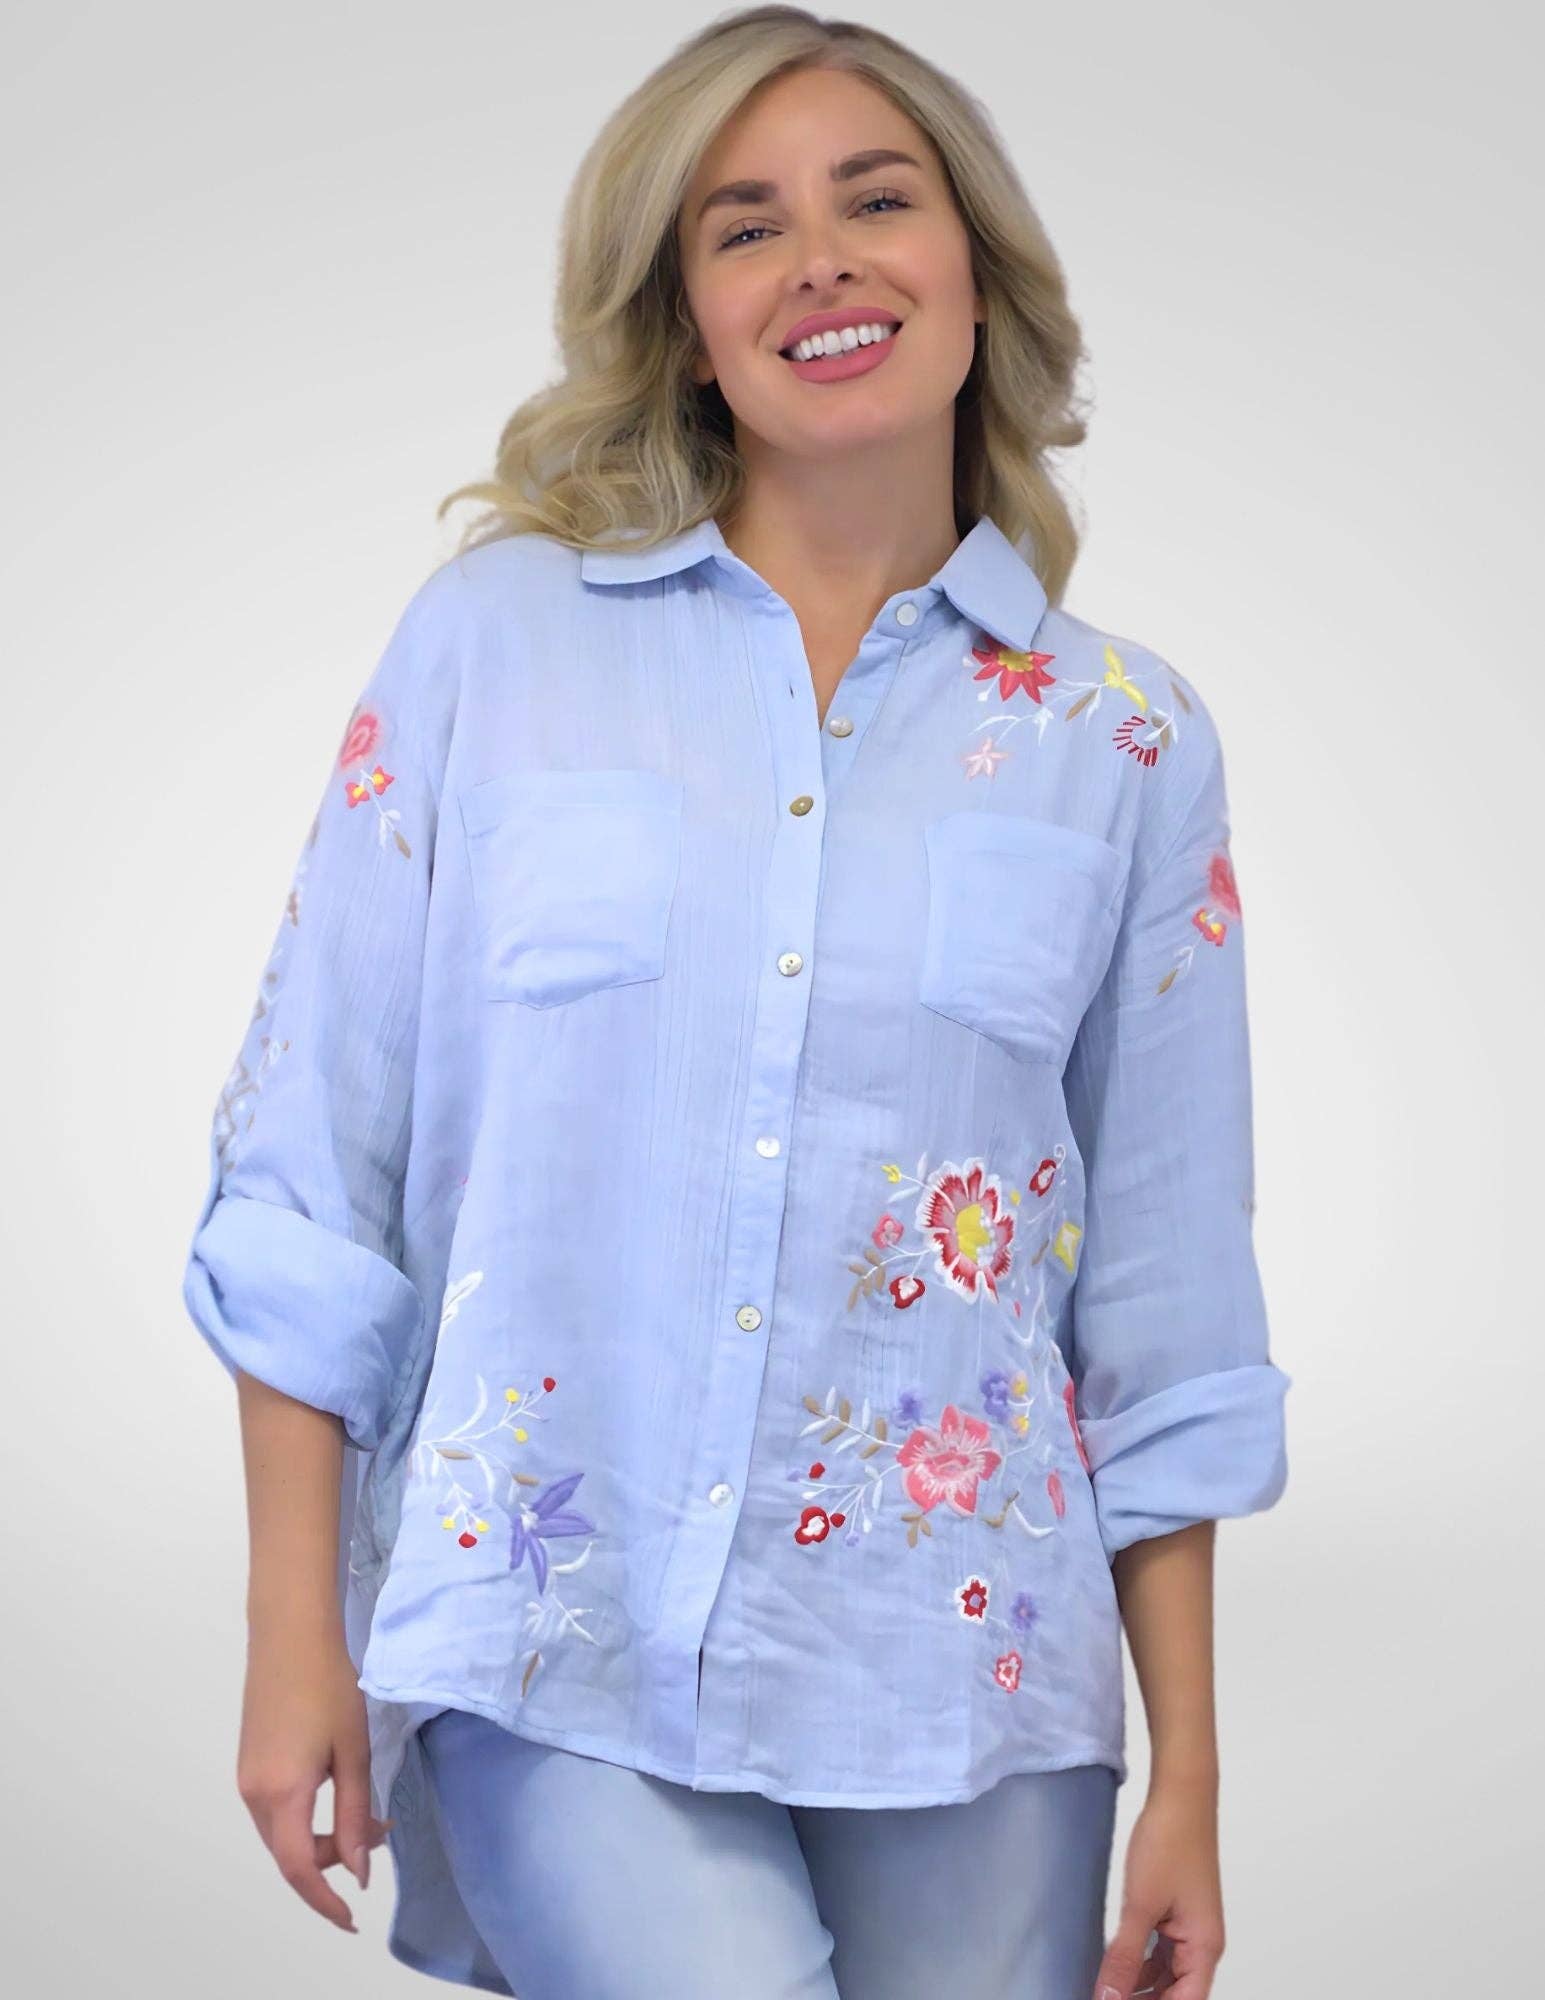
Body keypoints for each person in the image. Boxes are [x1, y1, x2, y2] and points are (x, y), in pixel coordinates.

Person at [181, 8, 1292, 1997]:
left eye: (877, 202)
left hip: (970, 1679)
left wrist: (1185, 1772)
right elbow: (306, 1169)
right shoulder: (497, 647)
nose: (820, 262)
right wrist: (292, 1638)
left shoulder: (1122, 740)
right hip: (555, 1624)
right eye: (744, 227)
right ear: (687, 326)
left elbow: (1163, 1300)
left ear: (976, 276)